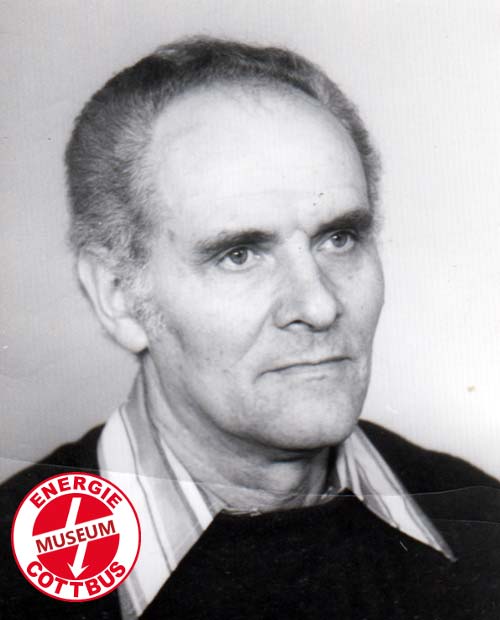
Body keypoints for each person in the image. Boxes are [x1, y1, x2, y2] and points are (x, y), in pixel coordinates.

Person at [1, 36, 499, 619]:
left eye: (339, 239)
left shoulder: (482, 525)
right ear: (118, 296)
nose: (318, 306)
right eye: (239, 255)